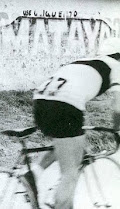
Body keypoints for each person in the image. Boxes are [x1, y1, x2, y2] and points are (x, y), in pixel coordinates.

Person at [25, 37, 120, 209]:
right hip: (66, 106)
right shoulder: (116, 66)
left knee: (65, 143)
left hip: (40, 102)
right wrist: (117, 129)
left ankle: (34, 173)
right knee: (70, 172)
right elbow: (118, 106)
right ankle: (61, 203)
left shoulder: (83, 62)